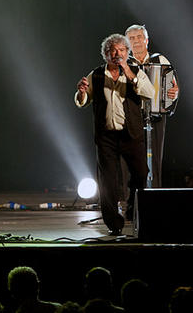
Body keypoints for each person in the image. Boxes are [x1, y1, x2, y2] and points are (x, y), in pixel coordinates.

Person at [75, 34, 155, 235]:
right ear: (106, 54)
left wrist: (129, 73)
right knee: (108, 181)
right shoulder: (96, 75)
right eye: (113, 50)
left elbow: (149, 93)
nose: (117, 53)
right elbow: (83, 101)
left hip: (131, 134)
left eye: (121, 50)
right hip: (106, 137)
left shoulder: (136, 71)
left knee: (141, 173)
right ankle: (114, 224)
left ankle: (133, 211)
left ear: (127, 53)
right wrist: (82, 92)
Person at [125, 25, 178, 188]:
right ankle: (131, 199)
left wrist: (174, 93)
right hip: (130, 119)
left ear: (146, 40)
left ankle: (154, 194)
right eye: (131, 38)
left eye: (139, 37)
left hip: (155, 116)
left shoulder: (160, 60)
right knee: (130, 160)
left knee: (154, 160)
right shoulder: (124, 63)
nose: (136, 41)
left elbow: (173, 86)